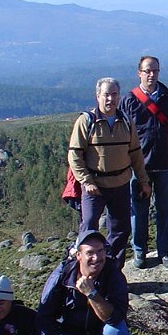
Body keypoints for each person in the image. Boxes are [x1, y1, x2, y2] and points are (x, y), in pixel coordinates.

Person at [37, 230, 152, 335]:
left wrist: (91, 294)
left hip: (102, 329)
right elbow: (44, 317)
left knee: (117, 331)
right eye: (90, 253)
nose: (96, 258)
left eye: (100, 251)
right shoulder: (62, 277)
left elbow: (115, 317)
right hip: (72, 332)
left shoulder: (112, 274)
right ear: (78, 255)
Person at [68, 77, 149, 265]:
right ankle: (87, 271)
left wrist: (143, 181)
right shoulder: (86, 121)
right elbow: (74, 155)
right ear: (98, 96)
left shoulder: (126, 121)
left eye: (114, 94)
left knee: (120, 229)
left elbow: (136, 154)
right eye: (106, 95)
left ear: (119, 96)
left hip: (121, 184)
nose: (110, 99)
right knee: (89, 228)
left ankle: (113, 270)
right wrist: (86, 181)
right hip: (94, 187)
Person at [123, 55, 168, 269]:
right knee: (138, 211)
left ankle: (165, 251)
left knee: (165, 210)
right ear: (139, 73)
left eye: (155, 71)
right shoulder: (129, 101)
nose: (151, 75)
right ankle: (139, 251)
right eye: (147, 71)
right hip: (139, 166)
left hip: (166, 164)